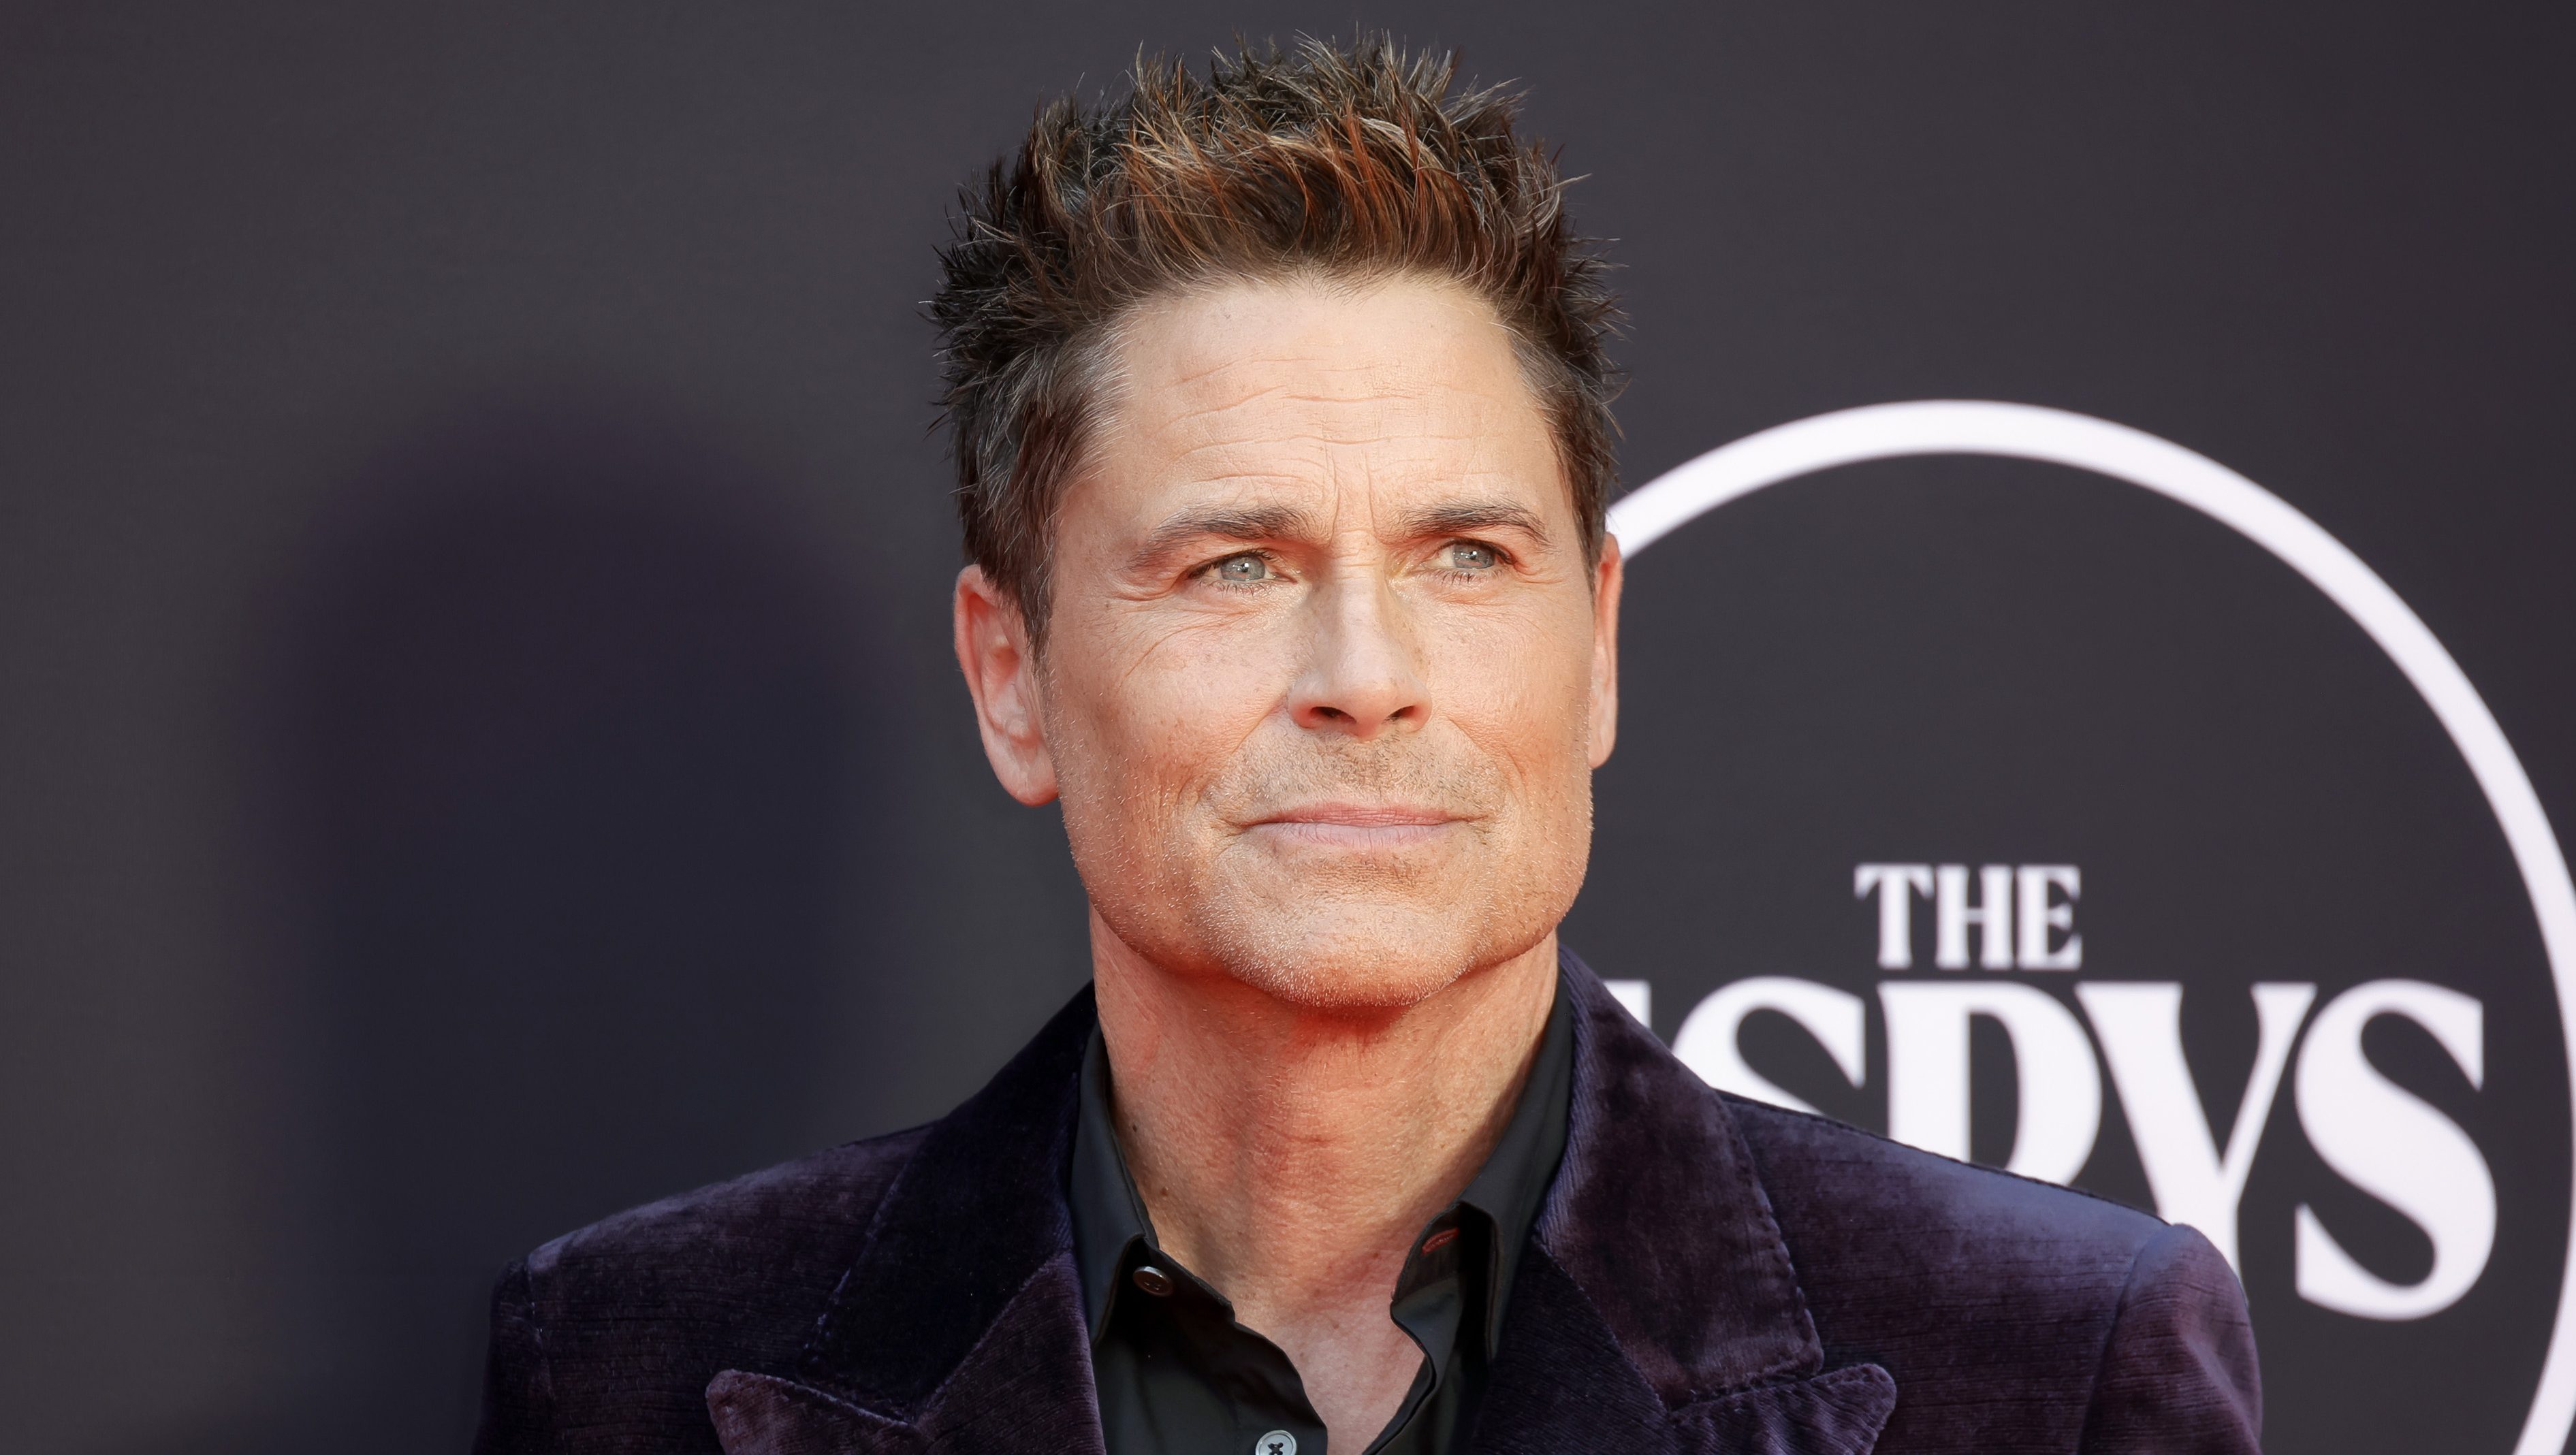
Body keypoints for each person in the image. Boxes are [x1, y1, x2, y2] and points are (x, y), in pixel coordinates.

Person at [473, 35, 2259, 1455]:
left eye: (1463, 556)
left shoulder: (2044, 1368)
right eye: (1236, 563)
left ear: (1600, 646)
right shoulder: (638, 1365)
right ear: (1011, 673)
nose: (1365, 672)